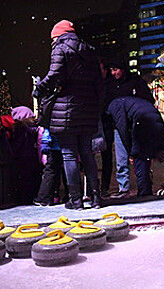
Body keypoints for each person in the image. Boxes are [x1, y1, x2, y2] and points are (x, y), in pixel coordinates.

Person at [33, 20, 103, 210]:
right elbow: (99, 81)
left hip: (66, 109)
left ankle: (76, 200)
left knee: (69, 154)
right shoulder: (89, 50)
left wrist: (39, 89)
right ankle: (96, 198)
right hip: (88, 108)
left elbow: (54, 74)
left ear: (57, 35)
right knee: (87, 153)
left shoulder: (60, 48)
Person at [104, 58, 156, 198]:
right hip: (119, 127)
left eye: (116, 70)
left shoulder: (136, 82)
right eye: (111, 70)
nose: (113, 73)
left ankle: (144, 185)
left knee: (139, 156)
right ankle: (124, 188)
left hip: (137, 125)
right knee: (122, 159)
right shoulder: (109, 85)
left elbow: (149, 100)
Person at [106, 96, 164, 197]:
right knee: (147, 157)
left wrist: (131, 152)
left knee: (140, 158)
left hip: (142, 121)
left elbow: (122, 129)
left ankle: (144, 192)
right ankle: (147, 188)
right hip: (156, 119)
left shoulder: (114, 106)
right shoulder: (128, 101)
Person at [10, 106, 42, 205]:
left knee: (30, 177)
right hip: (25, 156)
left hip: (28, 155)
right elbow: (18, 144)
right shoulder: (22, 129)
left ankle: (29, 196)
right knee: (28, 178)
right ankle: (27, 197)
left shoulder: (28, 129)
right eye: (31, 117)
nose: (34, 119)